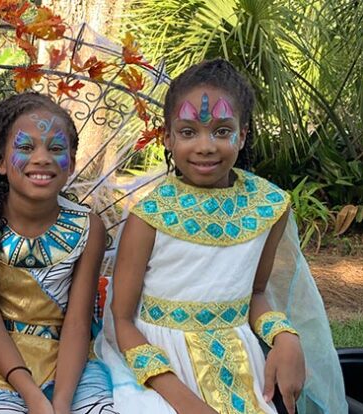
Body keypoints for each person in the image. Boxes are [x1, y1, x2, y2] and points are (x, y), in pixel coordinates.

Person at [96, 58, 347, 414]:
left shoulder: (268, 207)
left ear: (242, 135)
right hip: (156, 368)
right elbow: (122, 321)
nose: (206, 146)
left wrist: (285, 337)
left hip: (240, 363)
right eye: (187, 132)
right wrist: (186, 403)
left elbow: (255, 293)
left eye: (222, 131)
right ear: (166, 136)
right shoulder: (148, 216)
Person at [0, 92, 117, 414]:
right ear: (1, 161)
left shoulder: (89, 228)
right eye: (26, 147)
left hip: (67, 355)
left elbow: (77, 323)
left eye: (55, 149)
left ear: (70, 162)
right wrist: (33, 398)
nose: (41, 158)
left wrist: (60, 402)